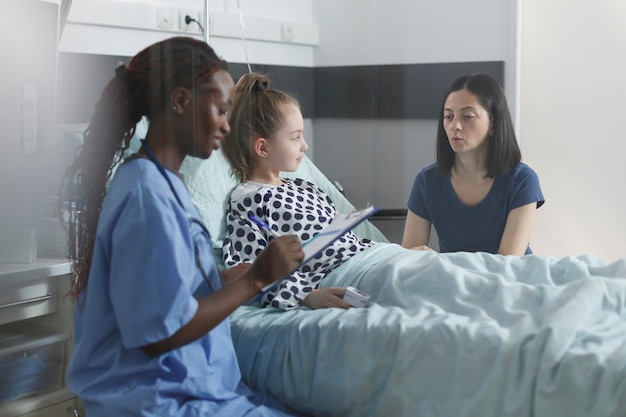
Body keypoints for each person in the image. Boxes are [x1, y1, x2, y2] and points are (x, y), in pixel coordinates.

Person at [60, 37, 308, 417]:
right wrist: (255, 279)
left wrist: (221, 279)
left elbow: (165, 288)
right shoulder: (145, 195)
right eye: (222, 110)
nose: (227, 126)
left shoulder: (165, 183)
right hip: (161, 402)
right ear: (180, 102)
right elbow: (160, 333)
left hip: (201, 392)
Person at [221, 72, 377, 311]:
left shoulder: (305, 187)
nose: (305, 145)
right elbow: (250, 270)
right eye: (295, 138)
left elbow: (348, 239)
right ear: (262, 147)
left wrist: (396, 252)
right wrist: (307, 296)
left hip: (372, 257)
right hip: (345, 277)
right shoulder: (248, 201)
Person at [401, 73, 544, 255]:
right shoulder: (427, 181)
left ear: (493, 122)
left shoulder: (522, 180)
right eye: (448, 117)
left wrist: (439, 263)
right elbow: (407, 258)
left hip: (508, 280)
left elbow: (508, 263)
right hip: (451, 280)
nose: (455, 126)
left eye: (467, 116)